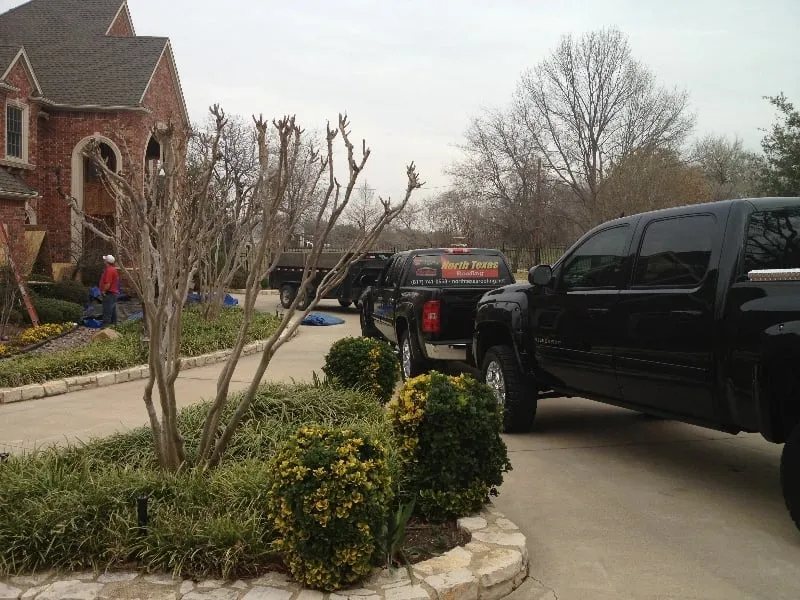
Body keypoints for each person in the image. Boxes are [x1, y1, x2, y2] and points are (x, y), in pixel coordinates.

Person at [99, 254, 120, 326]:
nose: (103, 260)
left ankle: (105, 327)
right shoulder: (113, 269)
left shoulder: (109, 270)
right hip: (113, 294)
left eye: (105, 260)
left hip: (109, 293)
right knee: (113, 311)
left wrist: (103, 291)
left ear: (107, 261)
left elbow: (108, 283)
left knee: (107, 311)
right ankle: (114, 326)